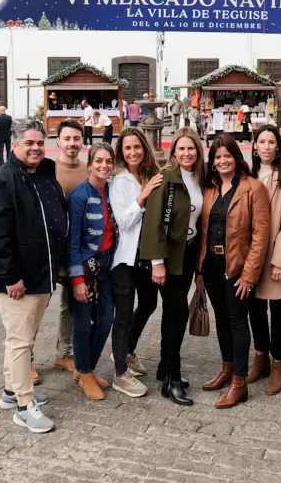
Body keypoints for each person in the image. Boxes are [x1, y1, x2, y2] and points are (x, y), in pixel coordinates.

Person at [0, 119, 67, 434]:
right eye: (29, 143)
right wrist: (10, 277)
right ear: (13, 145)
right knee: (20, 341)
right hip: (18, 281)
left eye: (40, 143)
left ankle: (9, 391)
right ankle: (23, 405)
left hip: (42, 274)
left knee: (21, 338)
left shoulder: (45, 174)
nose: (36, 148)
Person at [197, 133, 271, 409]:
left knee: (239, 321)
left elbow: (260, 235)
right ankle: (227, 369)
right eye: (217, 157)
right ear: (212, 162)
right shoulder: (211, 188)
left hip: (238, 267)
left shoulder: (253, 188)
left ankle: (239, 383)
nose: (222, 160)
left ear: (236, 157)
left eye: (227, 155)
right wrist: (200, 269)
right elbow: (205, 230)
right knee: (222, 320)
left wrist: (250, 274)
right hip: (212, 265)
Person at [139, 127, 206, 406]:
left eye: (191, 148)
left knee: (174, 313)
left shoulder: (200, 178)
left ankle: (165, 367)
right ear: (174, 151)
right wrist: (156, 263)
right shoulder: (165, 177)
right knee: (176, 314)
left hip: (188, 255)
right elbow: (153, 222)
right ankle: (172, 377)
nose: (187, 153)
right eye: (181, 149)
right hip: (168, 257)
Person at [108, 128, 163, 397]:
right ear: (121, 152)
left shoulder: (153, 175)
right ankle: (120, 371)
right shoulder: (119, 181)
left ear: (145, 147)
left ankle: (127, 350)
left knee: (150, 303)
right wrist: (142, 196)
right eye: (128, 148)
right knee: (124, 314)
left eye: (137, 147)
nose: (133, 152)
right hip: (125, 258)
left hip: (148, 255)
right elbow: (123, 221)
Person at [247, 125, 281, 395]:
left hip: (276, 253)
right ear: (254, 146)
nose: (266, 147)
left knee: (278, 309)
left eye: (271, 142)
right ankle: (261, 356)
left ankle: (278, 362)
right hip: (251, 253)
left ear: (278, 147)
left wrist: (280, 260)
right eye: (262, 142)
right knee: (254, 307)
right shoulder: (247, 174)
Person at [67, 143, 119, 401]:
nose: (104, 166)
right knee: (82, 324)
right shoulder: (78, 197)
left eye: (108, 161)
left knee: (105, 320)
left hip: (107, 265)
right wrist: (77, 280)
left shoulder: (110, 191)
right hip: (85, 267)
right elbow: (72, 242)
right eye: (99, 160)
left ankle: (84, 367)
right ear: (90, 163)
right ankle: (84, 373)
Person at [51, 120, 88, 373]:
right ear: (58, 142)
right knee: (36, 305)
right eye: (67, 139)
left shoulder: (89, 170)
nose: (72, 143)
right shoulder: (47, 170)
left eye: (77, 138)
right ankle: (27, 360)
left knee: (69, 304)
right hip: (50, 248)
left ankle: (64, 352)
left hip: (78, 249)